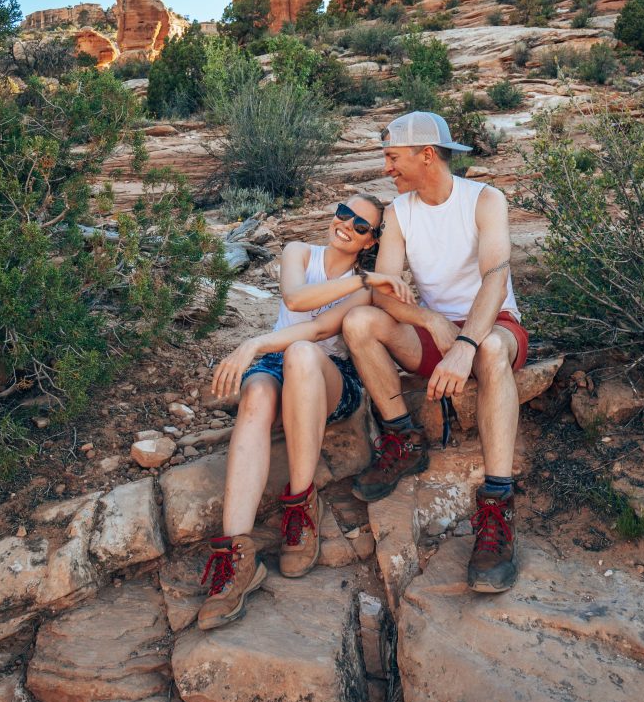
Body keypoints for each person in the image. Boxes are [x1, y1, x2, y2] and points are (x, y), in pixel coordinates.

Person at [197, 194, 413, 630]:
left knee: (299, 350)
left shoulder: (368, 290)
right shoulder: (298, 251)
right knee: (255, 396)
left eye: (361, 225)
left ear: (371, 241)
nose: (346, 225)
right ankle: (235, 557)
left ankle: (300, 503)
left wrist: (254, 342)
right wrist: (257, 350)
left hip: (328, 374)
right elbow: (295, 297)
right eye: (344, 213)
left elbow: (314, 328)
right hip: (278, 362)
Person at [342, 112, 529, 593]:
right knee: (359, 321)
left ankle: (497, 506)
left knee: (489, 348)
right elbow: (383, 291)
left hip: (492, 325)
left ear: (427, 154)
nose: (387, 168)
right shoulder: (400, 211)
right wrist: (430, 320)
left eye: (392, 157)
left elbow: (495, 276)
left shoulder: (485, 199)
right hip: (437, 329)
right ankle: (402, 441)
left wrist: (465, 345)